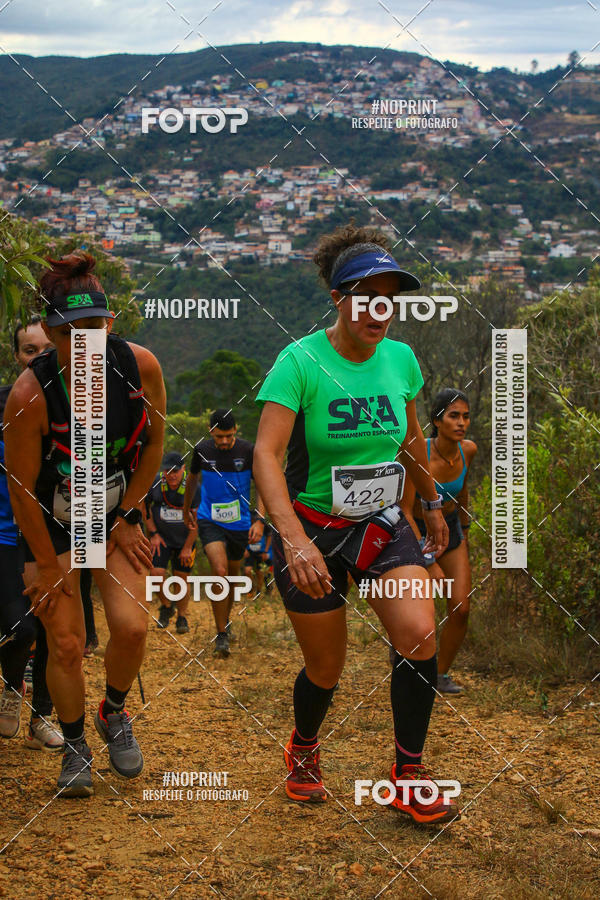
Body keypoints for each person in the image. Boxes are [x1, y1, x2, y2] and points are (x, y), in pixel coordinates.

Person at [253, 225, 460, 825]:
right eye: (366, 294)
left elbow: (412, 439)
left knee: (420, 633)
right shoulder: (299, 362)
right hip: (312, 529)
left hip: (380, 523)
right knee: (327, 667)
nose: (380, 308)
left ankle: (408, 777)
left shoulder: (401, 359)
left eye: (390, 296)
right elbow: (266, 455)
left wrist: (431, 501)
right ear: (339, 299)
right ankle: (305, 747)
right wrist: (292, 540)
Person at [3, 251, 166, 797]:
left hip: (114, 513)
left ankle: (112, 711)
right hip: (53, 523)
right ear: (51, 333)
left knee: (134, 626)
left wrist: (125, 516)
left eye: (96, 328)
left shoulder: (139, 366)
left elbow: (155, 443)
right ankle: (74, 745)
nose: (87, 344)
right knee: (67, 643)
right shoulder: (30, 394)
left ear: (109, 324)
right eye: (72, 333)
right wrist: (47, 566)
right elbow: (21, 488)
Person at [0, 317, 62, 751]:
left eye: (46, 347)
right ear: (16, 356)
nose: (39, 357)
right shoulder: (4, 404)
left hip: (59, 534)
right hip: (7, 536)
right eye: (29, 350)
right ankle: (10, 690)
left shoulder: (76, 405)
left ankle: (41, 718)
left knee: (54, 631)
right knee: (21, 630)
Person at [400, 388, 477, 694]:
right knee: (423, 608)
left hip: (453, 532)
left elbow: (464, 492)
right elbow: (404, 511)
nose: (461, 423)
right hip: (417, 533)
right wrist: (427, 560)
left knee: (461, 608)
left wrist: (466, 530)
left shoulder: (467, 450)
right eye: (453, 416)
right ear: (437, 420)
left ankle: (438, 674)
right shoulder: (418, 455)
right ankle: (407, 656)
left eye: (466, 416)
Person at [183, 409, 265, 658]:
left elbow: (262, 484)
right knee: (219, 572)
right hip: (210, 520)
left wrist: (259, 520)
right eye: (219, 437)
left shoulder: (248, 451)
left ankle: (225, 622)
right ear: (211, 433)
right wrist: (187, 508)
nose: (224, 441)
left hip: (240, 524)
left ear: (236, 431)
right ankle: (221, 634)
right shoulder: (202, 450)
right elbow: (192, 479)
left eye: (229, 436)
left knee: (231, 577)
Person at [145, 451, 200, 634]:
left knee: (181, 579)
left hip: (185, 540)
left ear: (183, 469)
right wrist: (153, 534)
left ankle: (182, 617)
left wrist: (187, 547)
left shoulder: (193, 488)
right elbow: (145, 509)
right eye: (168, 471)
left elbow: (197, 521)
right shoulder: (155, 483)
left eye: (175, 471)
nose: (171, 475)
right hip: (162, 539)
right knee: (155, 575)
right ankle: (167, 606)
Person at [243, 516, 273, 596]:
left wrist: (266, 551)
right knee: (247, 570)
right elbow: (242, 537)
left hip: (261, 552)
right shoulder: (246, 524)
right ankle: (251, 587)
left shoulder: (265, 526)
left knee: (260, 573)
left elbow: (269, 537)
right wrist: (244, 549)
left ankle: (259, 591)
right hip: (250, 552)